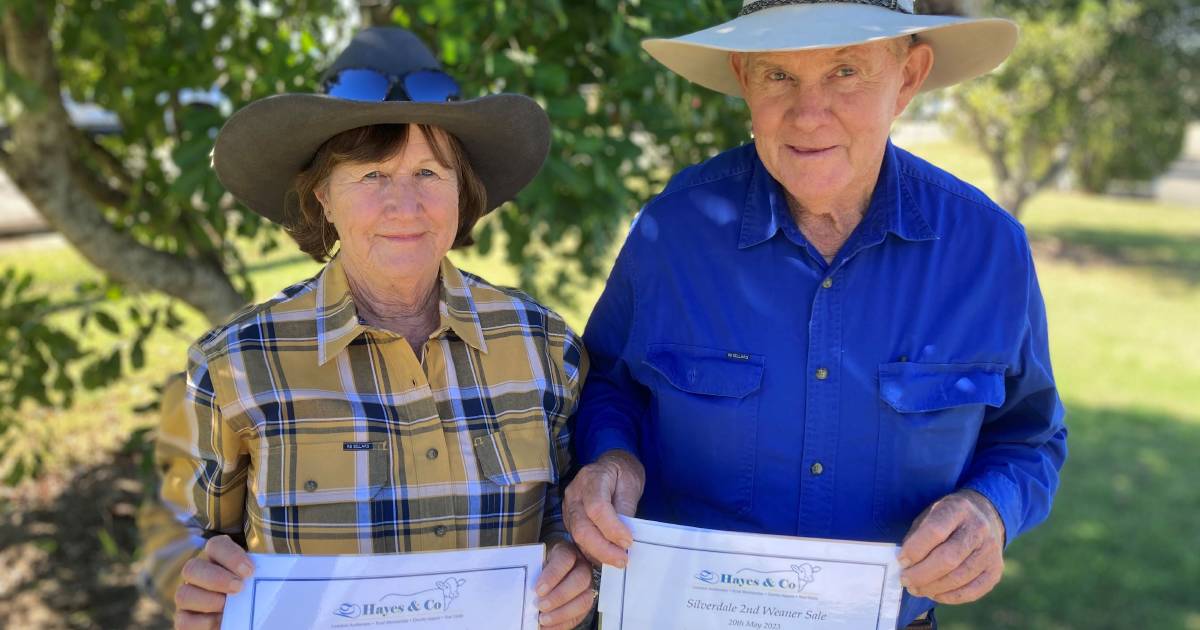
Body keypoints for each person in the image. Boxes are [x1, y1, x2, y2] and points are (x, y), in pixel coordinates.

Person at [562, 1, 1067, 628]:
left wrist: (991, 509)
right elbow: (610, 385)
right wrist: (611, 459)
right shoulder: (674, 230)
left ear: (908, 78)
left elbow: (1029, 435)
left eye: (845, 71)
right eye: (779, 75)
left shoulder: (990, 249)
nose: (808, 112)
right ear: (744, 79)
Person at [151, 27, 593, 630]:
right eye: (371, 176)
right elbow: (184, 533)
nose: (405, 205)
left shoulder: (546, 346)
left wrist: (574, 564)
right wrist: (191, 580)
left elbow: (567, 514)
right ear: (322, 199)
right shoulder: (234, 366)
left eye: (430, 173)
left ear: (462, 192)